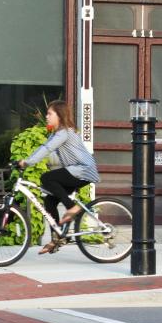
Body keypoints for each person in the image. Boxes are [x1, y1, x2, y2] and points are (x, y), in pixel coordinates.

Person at [18, 100, 100, 254]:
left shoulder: (64, 132)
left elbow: (47, 149)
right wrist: (27, 161)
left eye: (50, 114)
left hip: (83, 170)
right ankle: (58, 237)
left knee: (47, 178)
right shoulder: (58, 133)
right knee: (49, 200)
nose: (46, 117)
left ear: (59, 116)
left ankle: (72, 208)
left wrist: (27, 162)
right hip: (75, 171)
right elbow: (46, 150)